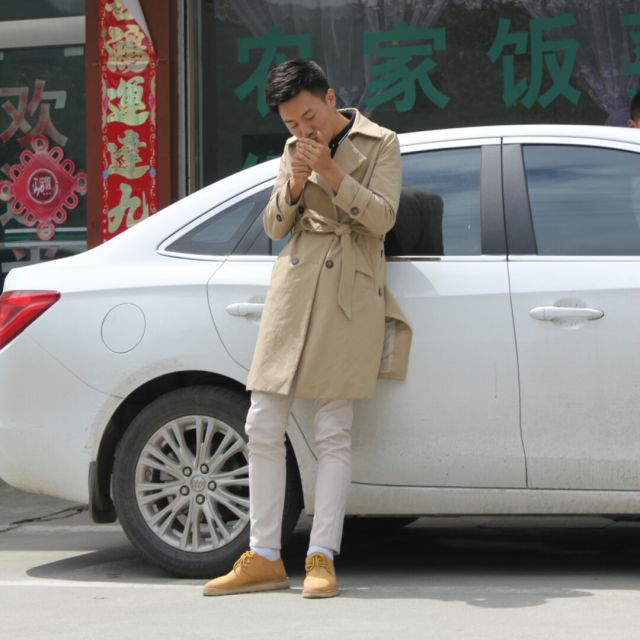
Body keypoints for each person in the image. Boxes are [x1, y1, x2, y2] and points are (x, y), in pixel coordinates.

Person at [203, 59, 411, 599]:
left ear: (330, 98)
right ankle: (264, 556)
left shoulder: (382, 142)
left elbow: (383, 218)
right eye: (292, 124)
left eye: (309, 117)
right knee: (262, 421)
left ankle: (322, 555)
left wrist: (332, 174)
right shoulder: (292, 151)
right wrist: (295, 183)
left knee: (333, 427)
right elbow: (275, 227)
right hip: (295, 288)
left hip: (349, 288)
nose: (303, 131)